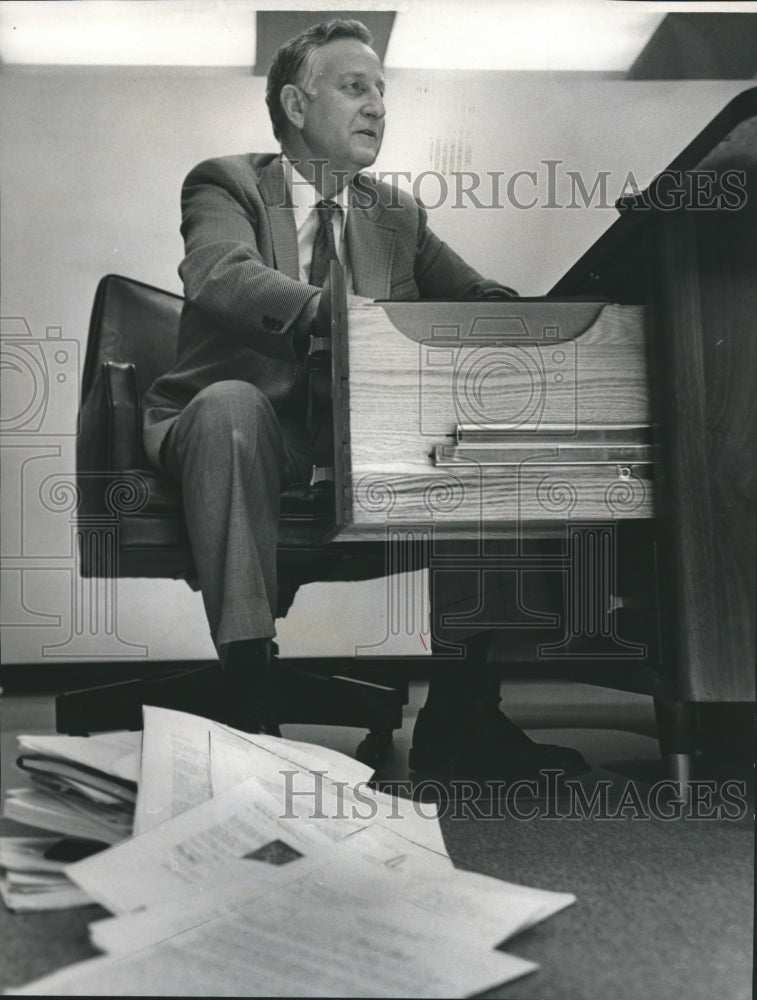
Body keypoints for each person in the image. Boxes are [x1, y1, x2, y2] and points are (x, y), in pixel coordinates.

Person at [143, 18, 587, 779]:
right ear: (293, 102)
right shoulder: (229, 182)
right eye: (354, 87)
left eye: (382, 91)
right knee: (230, 406)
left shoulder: (397, 216)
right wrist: (343, 320)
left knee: (477, 421)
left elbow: (474, 297)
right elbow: (218, 274)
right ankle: (250, 688)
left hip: (356, 448)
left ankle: (463, 711)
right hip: (240, 432)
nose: (377, 105)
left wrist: (528, 320)